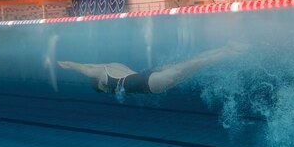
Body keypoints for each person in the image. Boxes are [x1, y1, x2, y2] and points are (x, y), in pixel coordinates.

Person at [58, 42, 248, 94]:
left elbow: (84, 68)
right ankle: (226, 48)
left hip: (148, 83)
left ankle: (230, 52)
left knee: (194, 66)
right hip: (148, 74)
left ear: (98, 83)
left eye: (102, 89)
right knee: (191, 63)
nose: (105, 90)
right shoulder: (111, 66)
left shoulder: (100, 76)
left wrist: (69, 65)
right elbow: (90, 65)